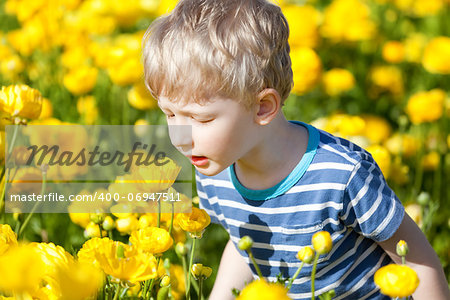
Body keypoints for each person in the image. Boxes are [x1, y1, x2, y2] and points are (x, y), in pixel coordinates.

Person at [141, 0, 450, 299]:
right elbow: (243, 243)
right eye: (169, 114)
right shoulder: (213, 171)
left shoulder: (341, 175)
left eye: (201, 118)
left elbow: (417, 259)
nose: (180, 138)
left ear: (262, 107)